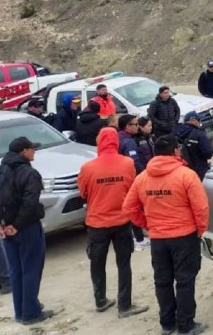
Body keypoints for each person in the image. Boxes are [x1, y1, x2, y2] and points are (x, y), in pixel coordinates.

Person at [123, 135, 209, 335]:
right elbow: (201, 207)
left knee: (162, 281)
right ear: (175, 151)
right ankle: (186, 324)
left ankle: (167, 324)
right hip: (184, 236)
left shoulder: (143, 177)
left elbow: (129, 207)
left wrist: (147, 224)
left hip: (159, 238)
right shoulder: (186, 175)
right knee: (185, 280)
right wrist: (200, 229)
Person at [77, 128, 149, 318]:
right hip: (122, 221)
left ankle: (100, 300)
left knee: (97, 263)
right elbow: (132, 188)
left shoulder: (87, 168)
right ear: (116, 142)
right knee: (124, 263)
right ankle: (124, 305)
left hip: (97, 223)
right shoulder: (127, 163)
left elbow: (83, 193)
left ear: (99, 142)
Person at [0, 137, 52, 325]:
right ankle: (31, 313)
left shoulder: (0, 171)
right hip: (26, 227)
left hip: (6, 227)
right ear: (23, 152)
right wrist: (18, 225)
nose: (34, 152)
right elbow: (30, 202)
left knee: (15, 270)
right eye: (32, 149)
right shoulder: (29, 174)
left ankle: (20, 312)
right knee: (31, 268)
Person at [130, 117, 155, 250]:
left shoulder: (149, 138)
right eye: (148, 125)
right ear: (141, 126)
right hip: (143, 174)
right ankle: (139, 233)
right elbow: (137, 159)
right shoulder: (136, 141)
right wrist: (145, 172)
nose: (150, 127)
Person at [173, 112, 213, 181]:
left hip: (181, 170)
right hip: (199, 170)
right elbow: (208, 153)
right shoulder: (199, 134)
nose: (200, 122)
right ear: (193, 121)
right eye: (199, 120)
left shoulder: (175, 133)